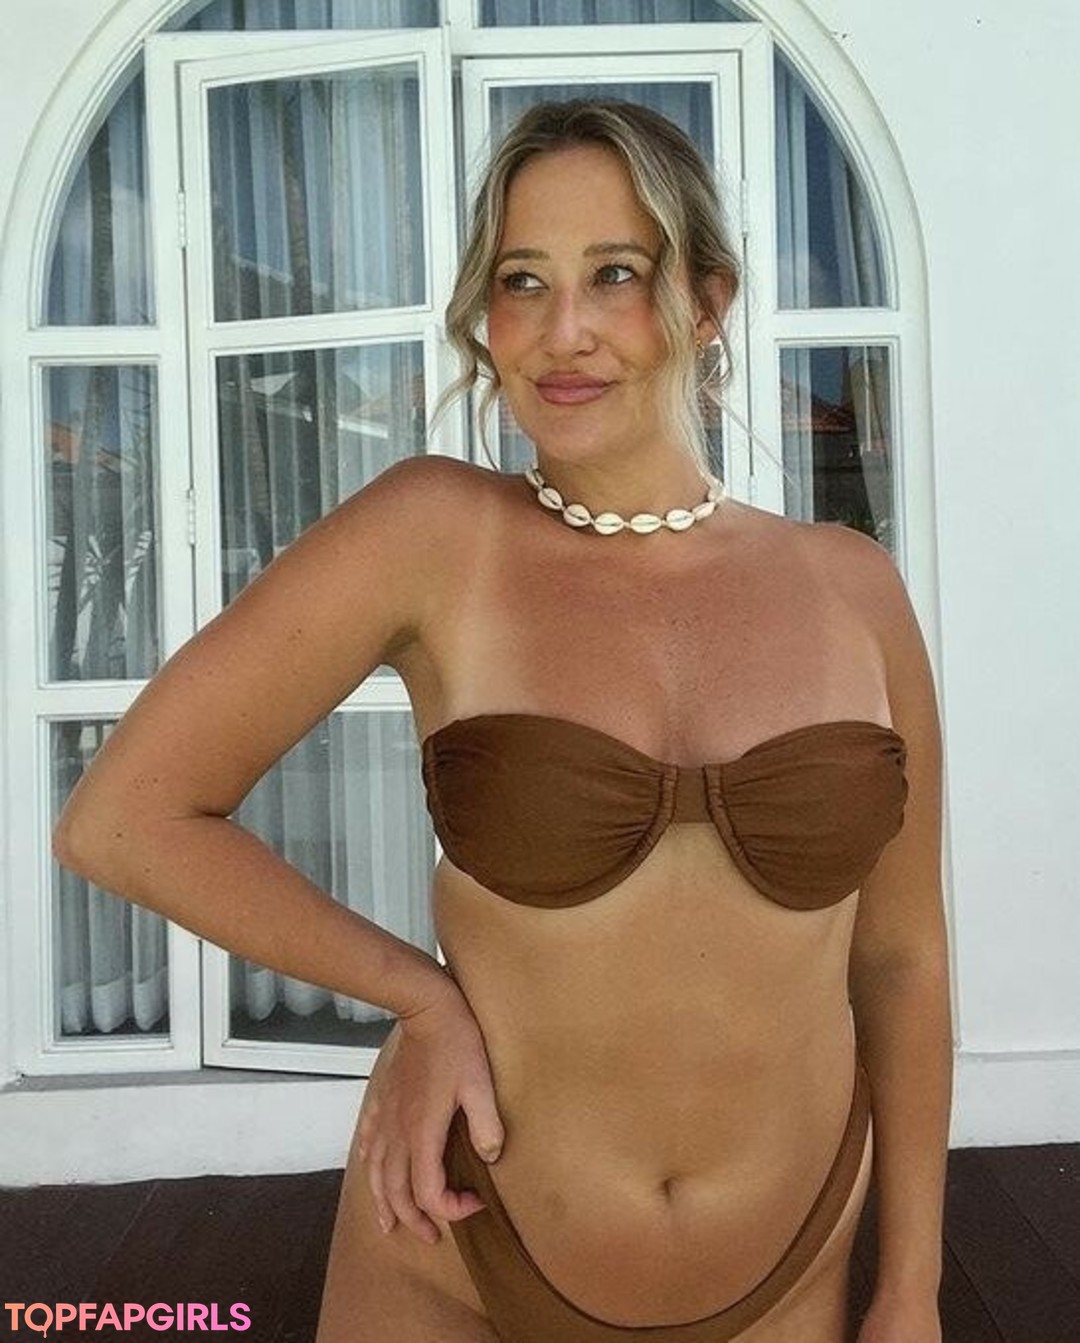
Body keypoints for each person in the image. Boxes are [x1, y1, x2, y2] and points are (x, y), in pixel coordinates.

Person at [53, 100, 951, 1343]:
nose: (562, 330)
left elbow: (902, 959)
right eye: (522, 281)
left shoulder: (852, 585)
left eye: (615, 274)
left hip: (790, 1270)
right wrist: (418, 997)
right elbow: (124, 818)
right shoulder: (435, 534)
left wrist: (911, 1286)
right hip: (462, 1243)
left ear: (707, 302)